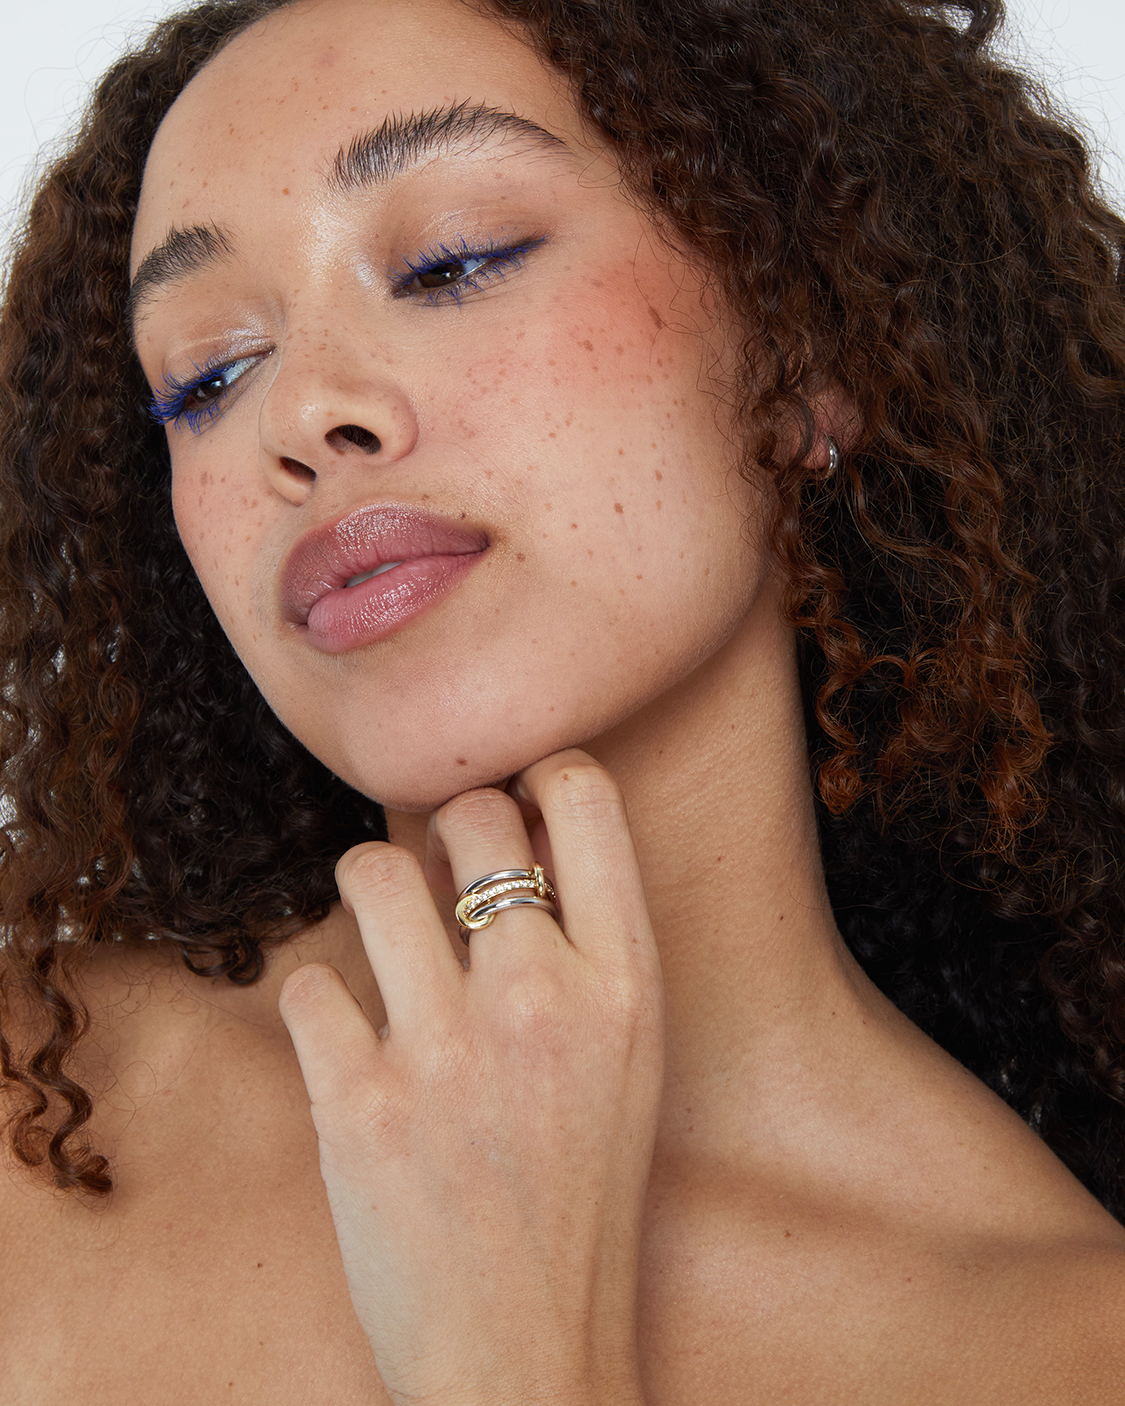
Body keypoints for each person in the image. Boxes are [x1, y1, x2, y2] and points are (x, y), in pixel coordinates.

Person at [2, 0, 1125, 1399]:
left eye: (455, 261)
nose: (302, 415)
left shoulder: (1071, 1346)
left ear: (808, 352)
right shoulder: (33, 1113)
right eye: (211, 374)